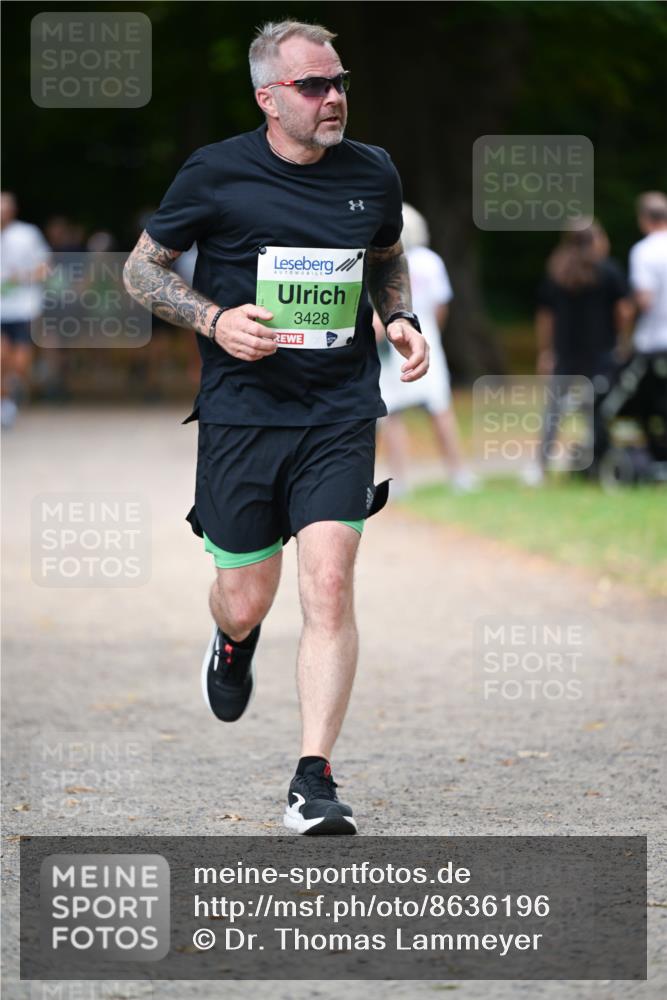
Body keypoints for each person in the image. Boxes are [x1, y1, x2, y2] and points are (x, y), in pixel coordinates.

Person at [123, 20, 428, 835]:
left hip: (337, 410)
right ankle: (231, 640)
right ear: (268, 98)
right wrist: (216, 321)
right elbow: (139, 269)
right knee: (245, 596)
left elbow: (386, 255)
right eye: (312, 86)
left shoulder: (372, 171)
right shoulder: (216, 172)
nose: (334, 98)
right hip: (242, 414)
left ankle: (312, 781)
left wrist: (397, 317)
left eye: (338, 82)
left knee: (328, 585)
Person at [375, 203, 477, 494]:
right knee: (439, 408)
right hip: (425, 338)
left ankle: (401, 480)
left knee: (392, 413)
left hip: (394, 343)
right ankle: (458, 473)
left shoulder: (383, 263)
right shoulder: (430, 262)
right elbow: (441, 305)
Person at [533, 220, 631, 478]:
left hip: (565, 353)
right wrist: (622, 339)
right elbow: (623, 310)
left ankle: (540, 466)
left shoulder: (557, 272)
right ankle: (598, 461)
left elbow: (546, 317)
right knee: (597, 408)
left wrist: (546, 350)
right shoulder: (608, 271)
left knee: (554, 412)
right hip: (601, 353)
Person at [595, 192, 667, 463]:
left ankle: (652, 452)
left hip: (653, 345)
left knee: (645, 403)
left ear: (643, 219)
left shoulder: (644, 251)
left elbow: (644, 299)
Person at [0, 192, 50, 427]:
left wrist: (23, 277)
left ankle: (11, 392)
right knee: (1, 356)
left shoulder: (27, 234)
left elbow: (44, 268)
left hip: (23, 307)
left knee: (19, 363)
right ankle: (6, 403)